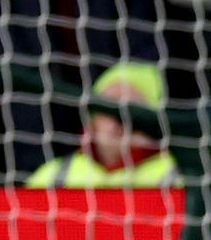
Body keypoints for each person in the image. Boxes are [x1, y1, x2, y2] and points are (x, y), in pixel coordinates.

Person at [28, 63, 180, 187]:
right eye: (109, 106)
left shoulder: (181, 176)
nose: (119, 118)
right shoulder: (52, 176)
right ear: (92, 119)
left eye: (133, 108)